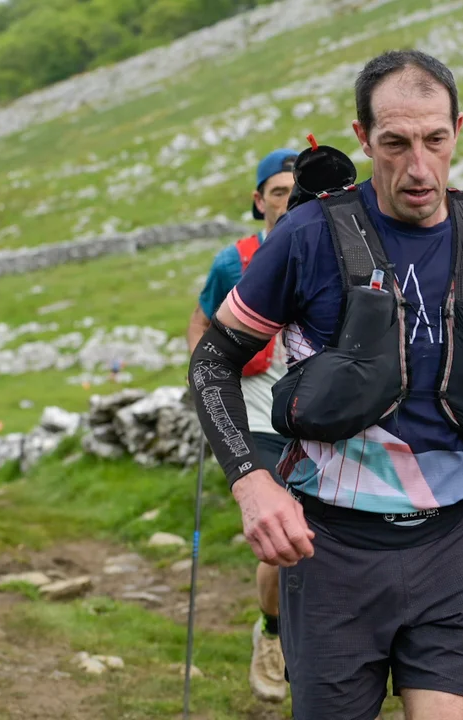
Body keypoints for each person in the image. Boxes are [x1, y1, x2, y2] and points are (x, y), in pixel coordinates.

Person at [187, 50, 463, 720]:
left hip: (455, 545)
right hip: (330, 548)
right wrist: (250, 481)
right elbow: (213, 360)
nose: (418, 167)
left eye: (434, 140)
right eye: (395, 143)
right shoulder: (307, 237)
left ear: (457, 130)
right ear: (362, 138)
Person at [185, 147, 298, 703]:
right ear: (259, 200)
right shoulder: (234, 261)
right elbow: (202, 321)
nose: (288, 200)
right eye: (277, 191)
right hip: (256, 418)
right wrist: (205, 383)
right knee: (280, 536)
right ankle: (272, 634)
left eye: (296, 191)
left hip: (318, 422)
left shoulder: (335, 250)